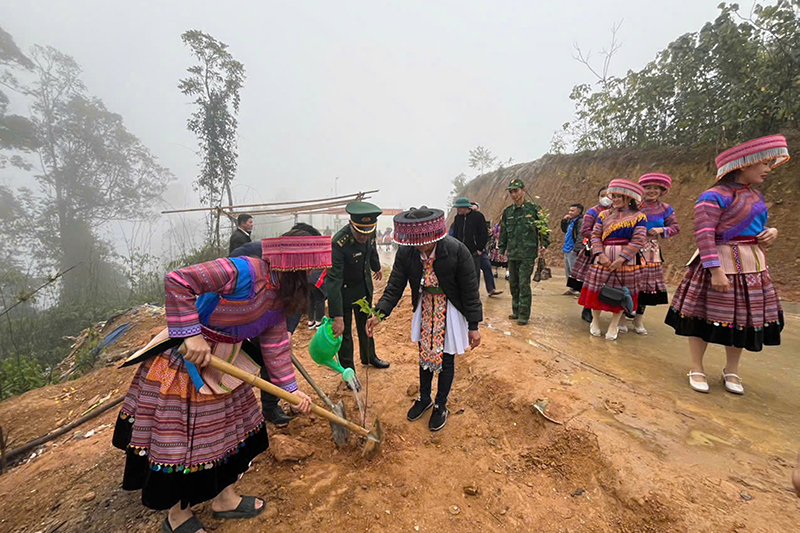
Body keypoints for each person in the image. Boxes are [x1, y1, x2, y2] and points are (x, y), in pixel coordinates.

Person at [113, 231, 325, 533]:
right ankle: (178, 517)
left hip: (226, 364)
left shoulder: (283, 294)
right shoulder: (242, 271)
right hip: (185, 361)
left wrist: (290, 390)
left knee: (228, 434)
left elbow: (276, 345)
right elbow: (177, 280)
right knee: (186, 441)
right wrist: (192, 334)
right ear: (288, 260)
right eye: (308, 267)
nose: (311, 274)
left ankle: (224, 499)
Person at [665, 135, 788, 395]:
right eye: (764, 164)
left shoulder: (756, 195)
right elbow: (704, 234)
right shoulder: (712, 196)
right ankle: (696, 367)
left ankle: (731, 369)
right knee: (703, 316)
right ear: (744, 164)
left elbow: (756, 227)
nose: (768, 169)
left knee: (741, 319)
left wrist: (772, 231)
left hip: (751, 265)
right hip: (718, 263)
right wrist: (716, 271)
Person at [366, 206, 482, 431]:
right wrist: (379, 313)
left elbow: (470, 290)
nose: (420, 246)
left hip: (450, 307)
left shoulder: (457, 251)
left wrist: (474, 325)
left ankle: (441, 404)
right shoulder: (407, 252)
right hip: (425, 307)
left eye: (424, 242)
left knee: (446, 358)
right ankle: (425, 397)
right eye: (415, 242)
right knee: (424, 355)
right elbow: (395, 286)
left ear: (435, 235)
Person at [327, 202, 389, 386]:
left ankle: (370, 357)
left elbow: (372, 251)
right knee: (345, 335)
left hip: (363, 290)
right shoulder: (339, 243)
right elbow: (334, 280)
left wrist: (376, 267)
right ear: (351, 225)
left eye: (367, 233)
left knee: (366, 326)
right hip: (344, 292)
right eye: (360, 232)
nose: (364, 236)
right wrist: (337, 315)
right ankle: (349, 374)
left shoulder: (368, 234)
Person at [578, 179, 647, 340]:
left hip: (627, 260)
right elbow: (595, 236)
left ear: (629, 198)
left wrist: (622, 259)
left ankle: (614, 324)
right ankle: (595, 320)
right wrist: (601, 255)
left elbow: (638, 239)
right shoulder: (604, 215)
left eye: (618, 196)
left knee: (622, 291)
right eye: (613, 196)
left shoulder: (639, 217)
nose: (614, 200)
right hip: (603, 256)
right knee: (597, 289)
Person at [498, 179, 550, 326]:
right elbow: (503, 232)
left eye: (516, 191)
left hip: (528, 253)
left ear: (523, 190)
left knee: (524, 283)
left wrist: (544, 244)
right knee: (513, 283)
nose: (513, 194)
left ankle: (524, 314)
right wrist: (502, 248)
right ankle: (516, 310)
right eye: (511, 192)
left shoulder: (534, 209)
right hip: (513, 253)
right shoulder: (508, 212)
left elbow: (543, 229)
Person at [635, 173, 680, 335]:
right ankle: (619, 318)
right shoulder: (634, 205)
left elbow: (675, 227)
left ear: (662, 190)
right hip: (630, 248)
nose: (651, 191)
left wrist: (662, 229)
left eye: (656, 188)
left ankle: (638, 320)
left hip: (650, 251)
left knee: (645, 287)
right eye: (648, 187)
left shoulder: (666, 209)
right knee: (627, 283)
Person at [568, 187, 611, 323]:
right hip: (593, 251)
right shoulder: (593, 212)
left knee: (611, 282)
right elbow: (585, 230)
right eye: (602, 195)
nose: (606, 198)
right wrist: (601, 237)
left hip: (612, 251)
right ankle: (587, 309)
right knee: (591, 282)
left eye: (609, 195)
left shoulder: (620, 213)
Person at [449, 197, 491, 291]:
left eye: (459, 208)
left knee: (474, 274)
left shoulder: (478, 217)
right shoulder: (458, 218)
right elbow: (456, 233)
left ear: (465, 208)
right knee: (461, 272)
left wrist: (480, 248)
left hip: (474, 251)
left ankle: (474, 293)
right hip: (461, 251)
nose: (458, 210)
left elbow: (483, 233)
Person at [560, 203, 584, 295]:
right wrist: (564, 221)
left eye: (572, 211)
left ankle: (578, 290)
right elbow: (564, 230)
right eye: (569, 210)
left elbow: (580, 236)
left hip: (573, 249)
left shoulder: (580, 222)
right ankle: (572, 289)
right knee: (568, 271)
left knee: (575, 271)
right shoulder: (571, 221)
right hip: (567, 248)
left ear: (579, 212)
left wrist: (576, 249)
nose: (570, 212)